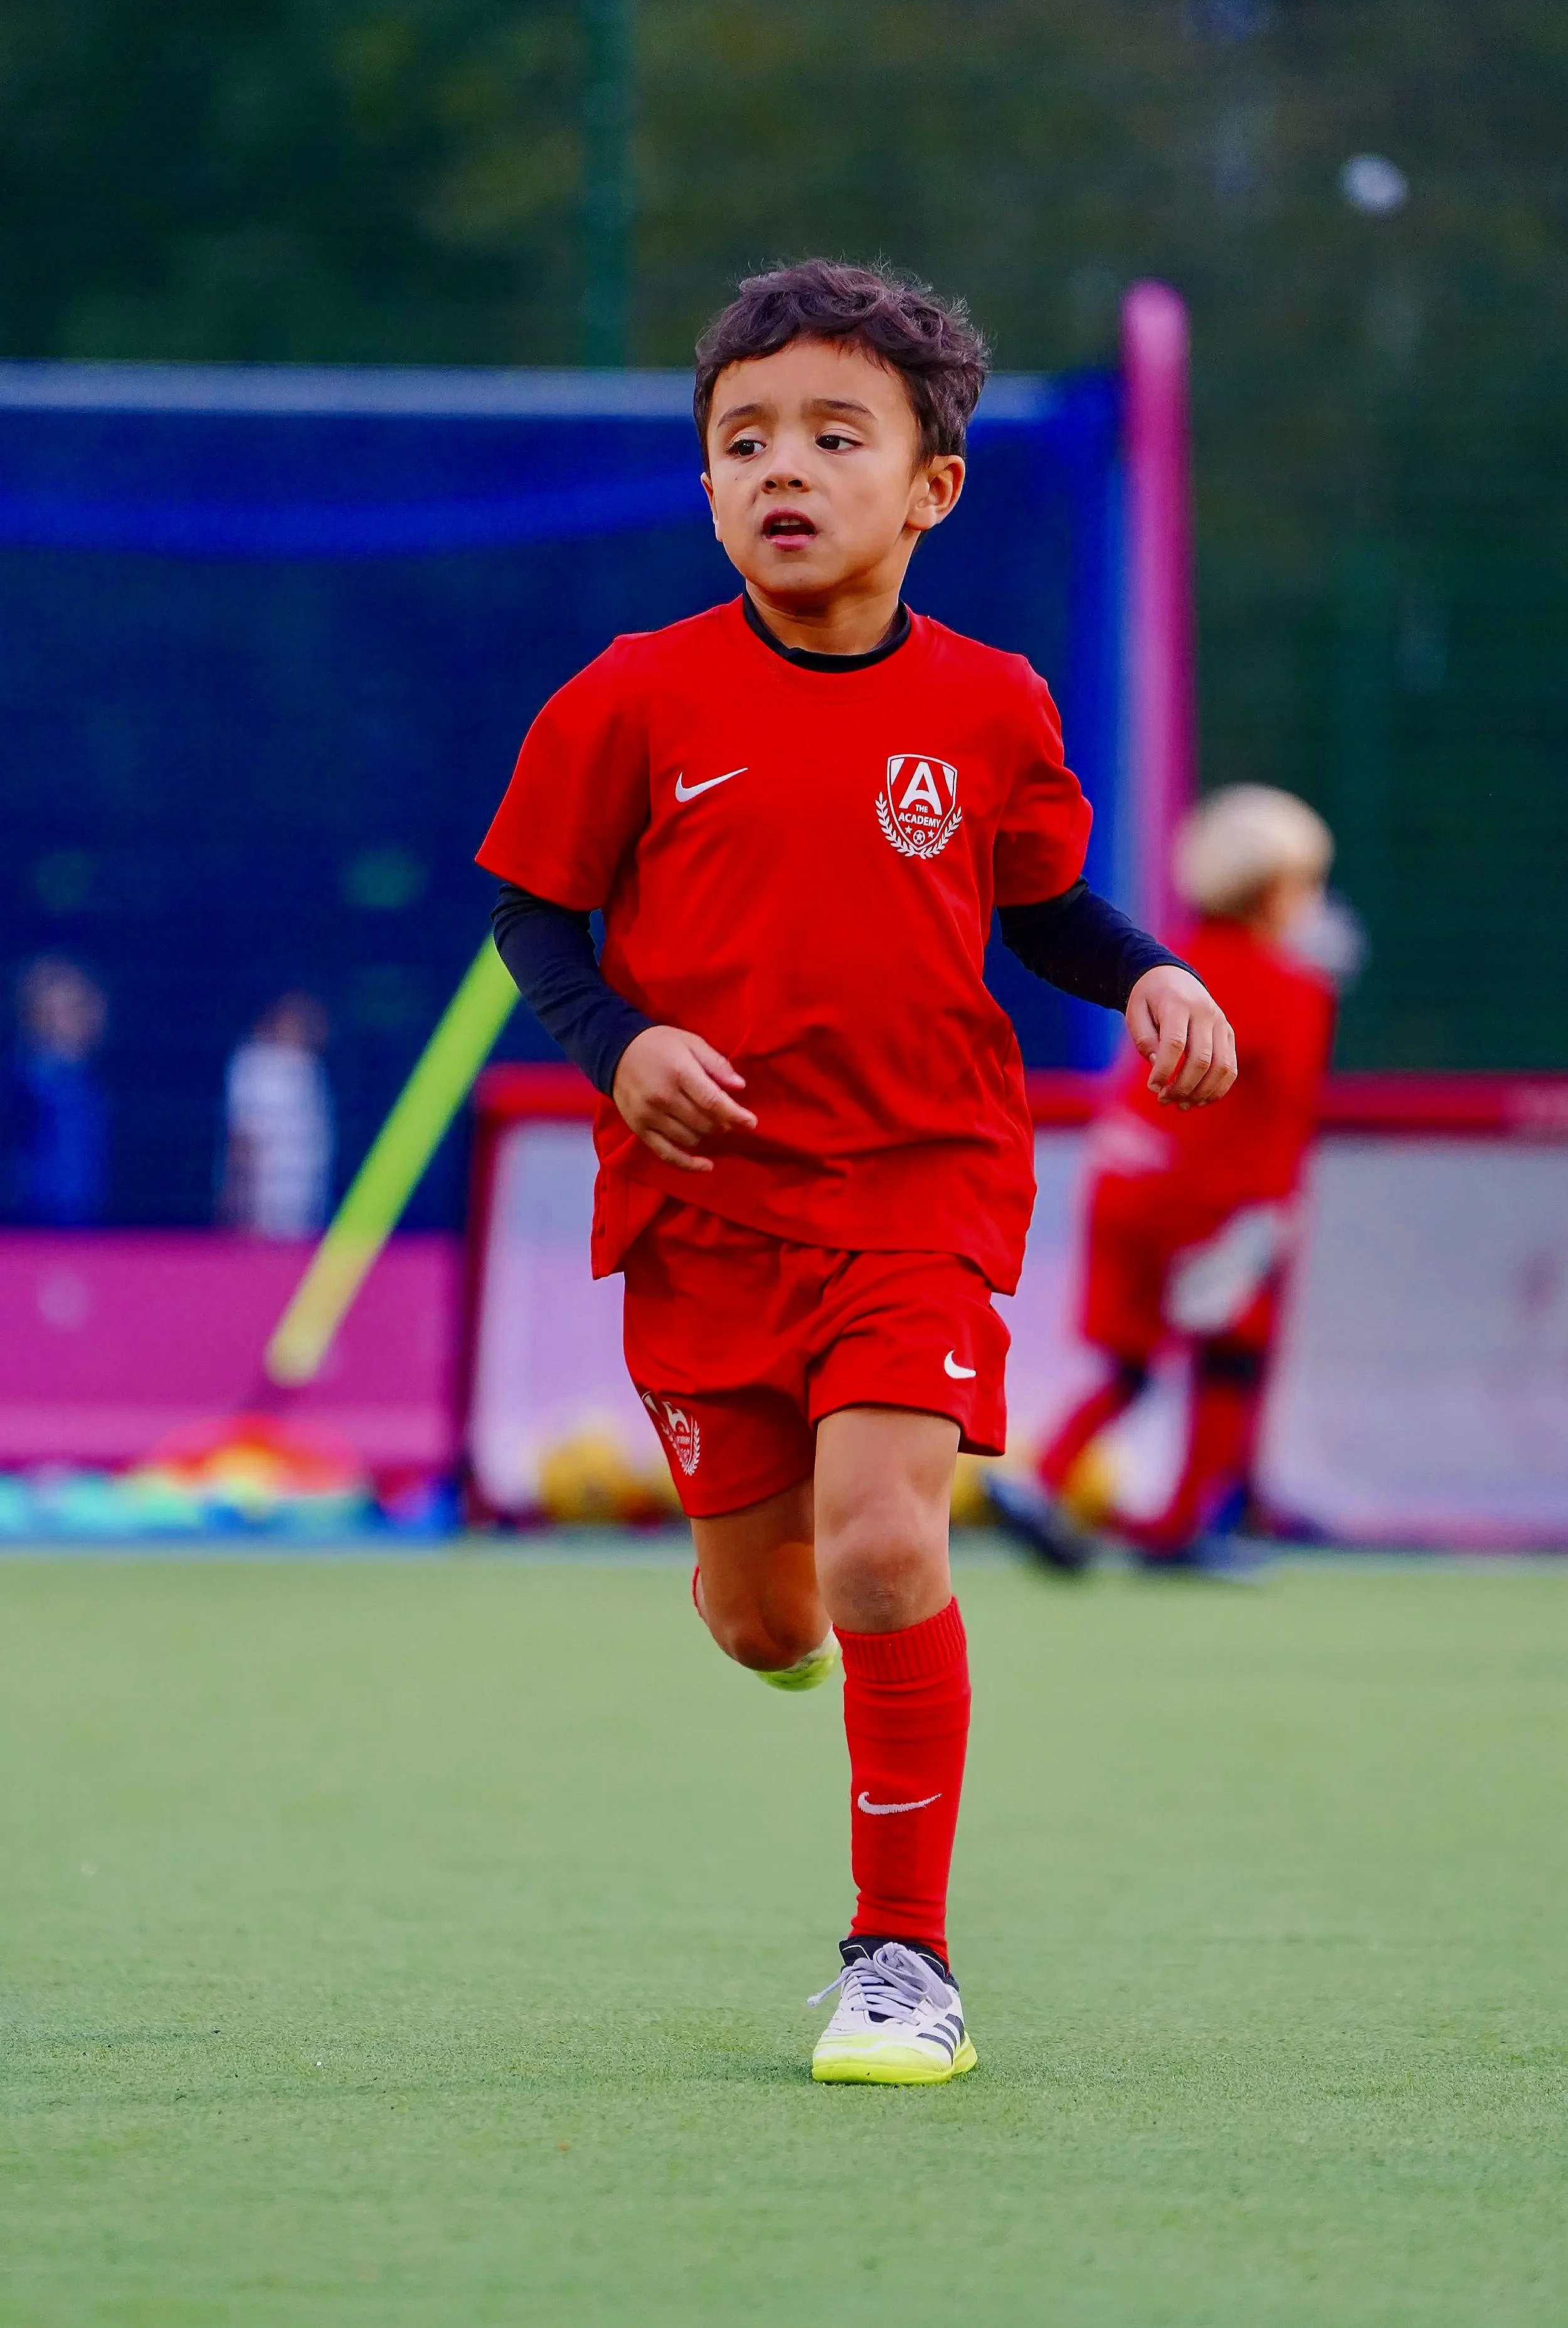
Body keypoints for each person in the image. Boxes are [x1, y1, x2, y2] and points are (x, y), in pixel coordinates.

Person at [480, 260, 1239, 2086]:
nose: (781, 470)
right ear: (707, 481)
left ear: (931, 487)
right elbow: (535, 912)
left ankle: (900, 1953)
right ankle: (796, 1639)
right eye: (742, 440)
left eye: (834, 434)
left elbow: (1041, 905)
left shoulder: (987, 706)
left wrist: (1148, 969)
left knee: (888, 1540)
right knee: (762, 1615)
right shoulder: (631, 695)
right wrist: (618, 1042)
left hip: (920, 1179)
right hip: (702, 1211)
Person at [989, 784, 1338, 1581]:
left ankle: (1040, 1481)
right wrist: (1272, 1221)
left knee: (1129, 1365)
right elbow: (1279, 1118)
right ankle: (1183, 1525)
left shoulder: (1170, 958)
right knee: (1230, 1361)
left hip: (1124, 1186)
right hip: (1213, 1204)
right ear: (1276, 889)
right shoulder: (1292, 987)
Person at [3, 956, 110, 1225]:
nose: (93, 1017)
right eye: (75, 1009)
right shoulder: (20, 1086)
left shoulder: (86, 1086)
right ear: (38, 1016)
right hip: (30, 1235)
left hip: (83, 1230)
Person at [218, 993, 333, 1240]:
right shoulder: (257, 1065)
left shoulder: (308, 1066)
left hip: (305, 1207)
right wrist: (239, 1204)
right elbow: (243, 1140)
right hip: (265, 1210)